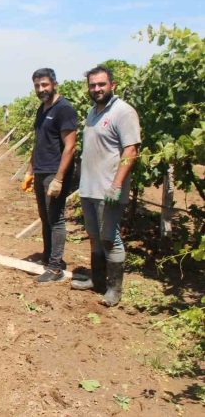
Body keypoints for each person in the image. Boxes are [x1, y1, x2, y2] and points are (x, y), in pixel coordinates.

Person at [71, 65, 141, 307]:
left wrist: (117, 184)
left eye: (101, 84)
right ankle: (97, 281)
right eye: (92, 85)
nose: (97, 89)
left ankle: (114, 289)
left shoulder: (123, 112)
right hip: (89, 188)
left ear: (113, 85)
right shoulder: (93, 112)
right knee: (94, 236)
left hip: (108, 190)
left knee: (110, 238)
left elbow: (131, 150)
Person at [20, 68, 77, 283]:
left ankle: (55, 268)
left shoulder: (64, 109)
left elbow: (70, 147)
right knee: (45, 218)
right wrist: (30, 170)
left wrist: (59, 178)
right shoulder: (42, 108)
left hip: (54, 172)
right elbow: (38, 142)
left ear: (54, 83)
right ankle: (48, 258)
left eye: (44, 84)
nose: (41, 89)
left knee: (56, 219)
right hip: (41, 171)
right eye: (37, 85)